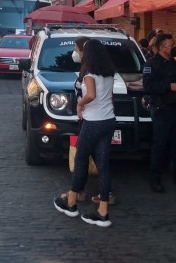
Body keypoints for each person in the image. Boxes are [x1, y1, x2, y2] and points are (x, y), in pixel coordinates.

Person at [54, 39, 116, 227]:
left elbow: (91, 95)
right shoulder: (108, 73)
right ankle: (102, 212)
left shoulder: (89, 74)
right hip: (108, 120)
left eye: (78, 50)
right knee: (103, 164)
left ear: (87, 54)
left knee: (81, 159)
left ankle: (71, 203)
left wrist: (79, 105)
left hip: (93, 121)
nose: (77, 53)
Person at [144, 33, 176, 192]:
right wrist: (168, 86)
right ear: (161, 48)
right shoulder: (151, 64)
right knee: (159, 146)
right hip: (162, 111)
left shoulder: (175, 64)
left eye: (173, 44)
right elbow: (148, 86)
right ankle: (155, 180)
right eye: (170, 45)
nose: (174, 47)